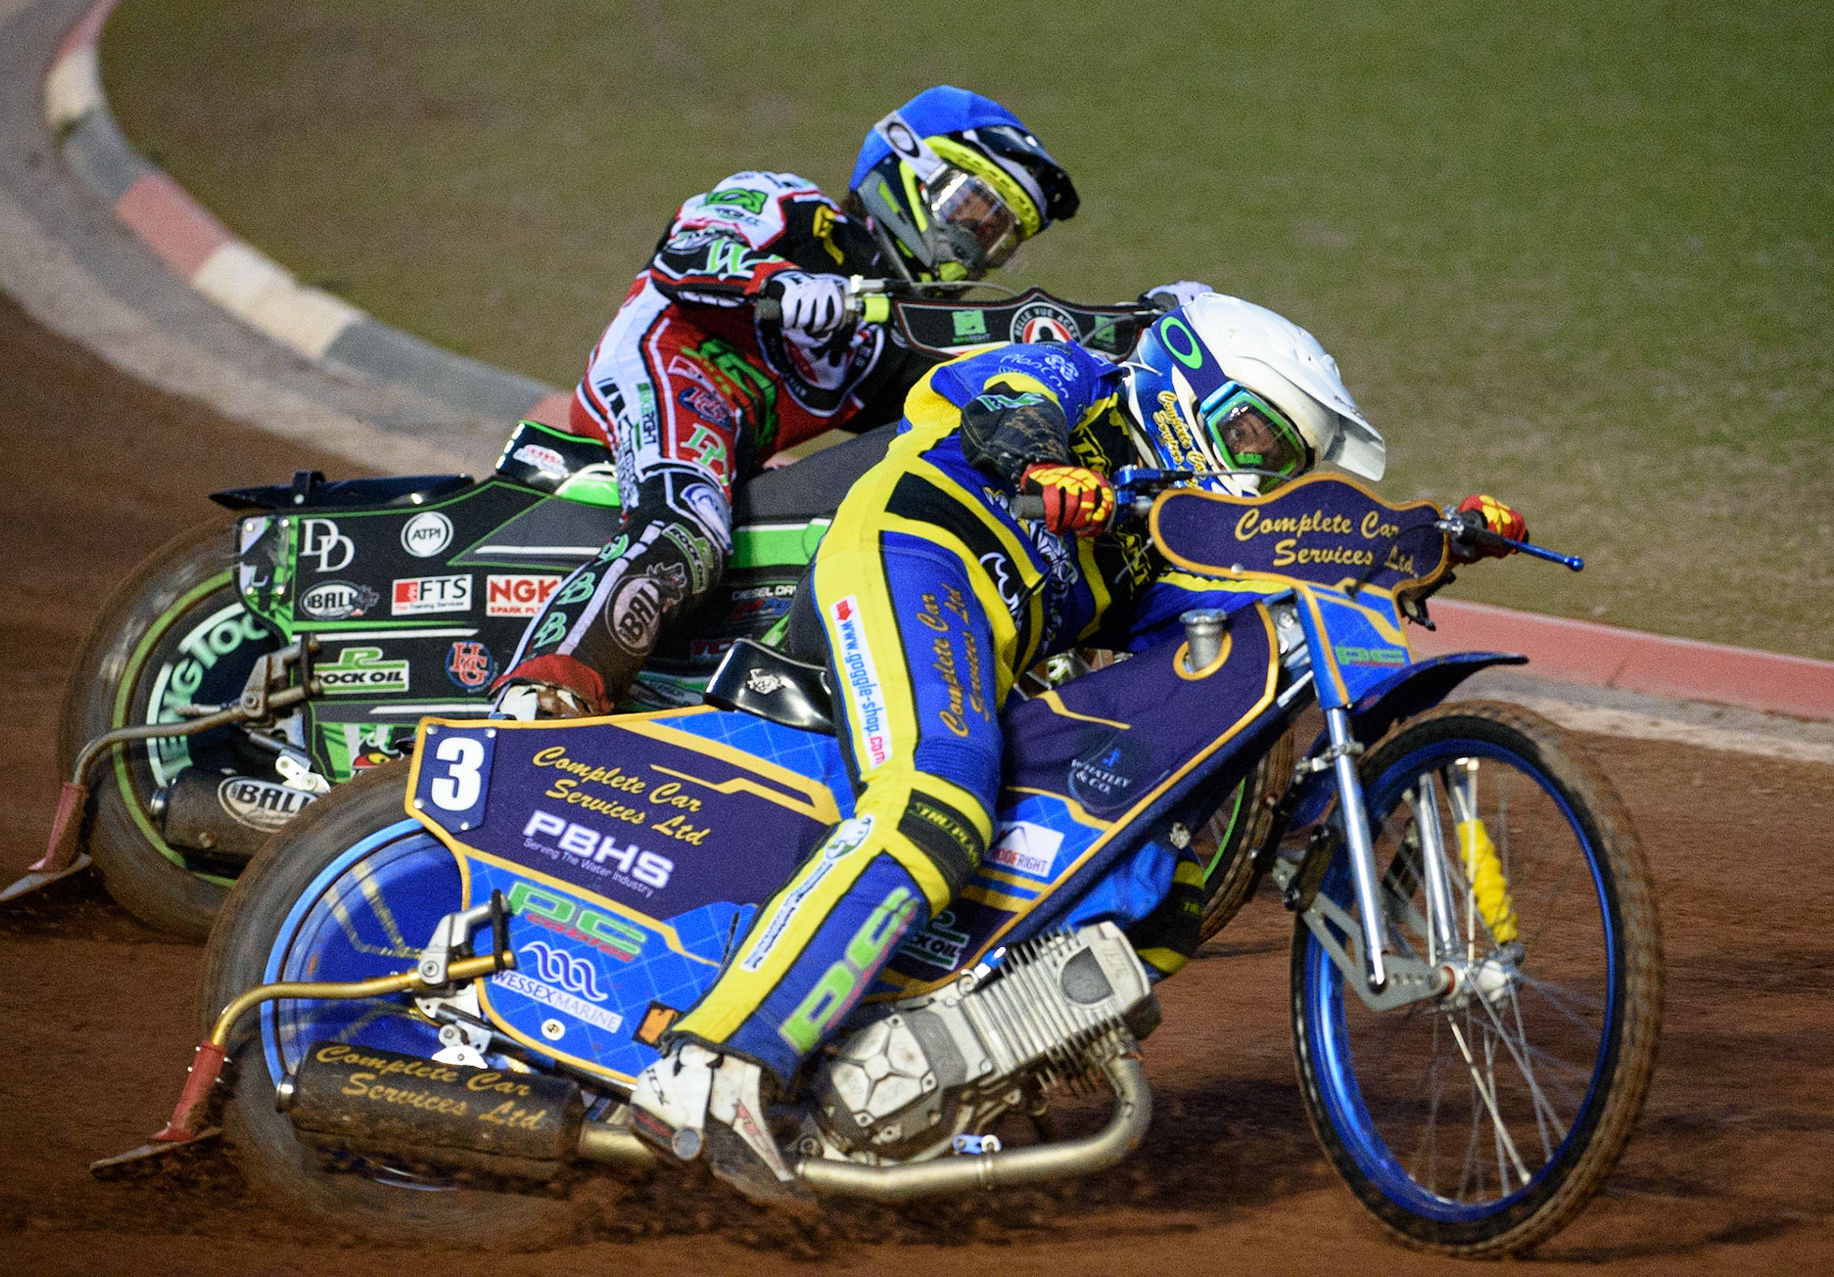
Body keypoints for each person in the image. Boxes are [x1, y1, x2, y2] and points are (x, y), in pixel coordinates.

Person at [626, 291, 1530, 1200]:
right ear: (1185, 374)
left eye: (1280, 459)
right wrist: (1039, 456)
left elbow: (1236, 606)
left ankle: (911, 1060)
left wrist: (1426, 541)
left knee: (1156, 881)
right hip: (914, 554)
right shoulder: (1084, 378)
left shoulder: (1163, 535)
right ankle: (709, 1064)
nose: (1257, 471)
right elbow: (996, 403)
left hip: (991, 645)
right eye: (1252, 435)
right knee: (937, 802)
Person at [496, 86, 1084, 719]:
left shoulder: (896, 340)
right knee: (689, 526)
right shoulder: (790, 204)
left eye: (998, 237)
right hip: (671, 361)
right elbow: (683, 254)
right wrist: (781, 281)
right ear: (906, 164)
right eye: (973, 210)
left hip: (738, 444)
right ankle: (545, 690)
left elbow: (951, 418)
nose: (975, 244)